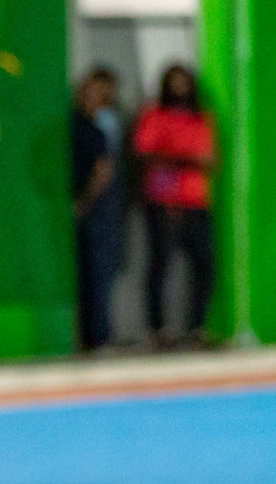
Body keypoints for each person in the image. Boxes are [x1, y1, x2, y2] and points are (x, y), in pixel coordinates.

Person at [133, 63, 216, 348]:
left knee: (205, 265)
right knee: (161, 266)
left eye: (185, 82)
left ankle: (196, 328)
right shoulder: (153, 115)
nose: (180, 88)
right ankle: (157, 330)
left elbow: (210, 159)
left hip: (196, 201)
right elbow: (147, 155)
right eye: (174, 82)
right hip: (163, 202)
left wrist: (176, 157)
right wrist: (188, 160)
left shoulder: (200, 118)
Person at [71, 67, 124, 352]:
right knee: (89, 276)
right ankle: (92, 337)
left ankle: (100, 336)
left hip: (99, 212)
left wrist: (85, 202)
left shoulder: (99, 128)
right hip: (88, 212)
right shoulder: (78, 128)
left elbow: (103, 174)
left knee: (101, 274)